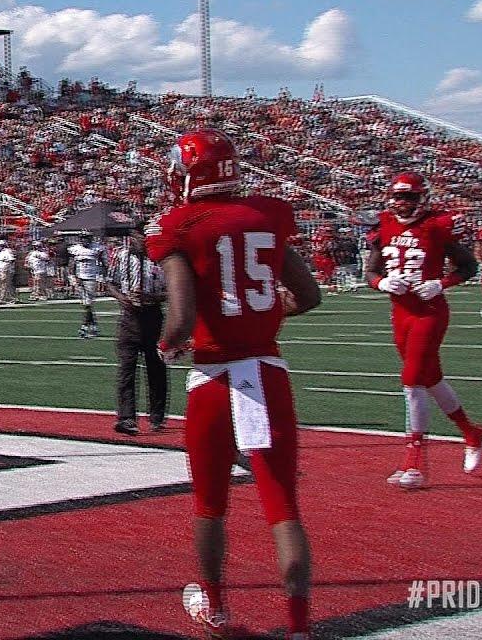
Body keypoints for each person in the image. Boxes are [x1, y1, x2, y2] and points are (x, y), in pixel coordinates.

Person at [146, 129, 321, 639]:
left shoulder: (179, 223)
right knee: (283, 507)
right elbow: (307, 294)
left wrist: (167, 346)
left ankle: (217, 606)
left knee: (209, 503)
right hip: (267, 372)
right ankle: (299, 626)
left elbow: (179, 316)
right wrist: (264, 314)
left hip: (214, 379)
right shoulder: (266, 213)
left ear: (188, 173)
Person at [365, 171, 482, 489]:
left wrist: (441, 283)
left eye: (411, 197)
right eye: (400, 197)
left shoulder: (438, 225)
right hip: (400, 313)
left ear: (423, 198)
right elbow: (371, 271)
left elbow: (469, 266)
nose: (404, 203)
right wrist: (381, 282)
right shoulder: (384, 225)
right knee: (429, 378)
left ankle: (414, 463)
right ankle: (471, 432)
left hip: (429, 313)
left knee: (412, 380)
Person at [106, 229, 168, 435]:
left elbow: (171, 290)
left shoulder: (159, 258)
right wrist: (121, 297)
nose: (134, 241)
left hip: (152, 316)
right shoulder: (121, 256)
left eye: (139, 237)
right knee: (126, 369)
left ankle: (157, 416)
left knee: (156, 368)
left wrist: (153, 297)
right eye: (132, 237)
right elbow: (110, 282)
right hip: (129, 318)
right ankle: (126, 418)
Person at [68, 233, 106, 338]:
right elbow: (72, 264)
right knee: (87, 304)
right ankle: (94, 327)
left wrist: (102, 277)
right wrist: (72, 277)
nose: (84, 240)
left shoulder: (97, 248)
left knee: (88, 304)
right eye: (82, 238)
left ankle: (84, 327)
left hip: (91, 278)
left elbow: (103, 263)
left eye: (86, 238)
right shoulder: (75, 249)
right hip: (80, 278)